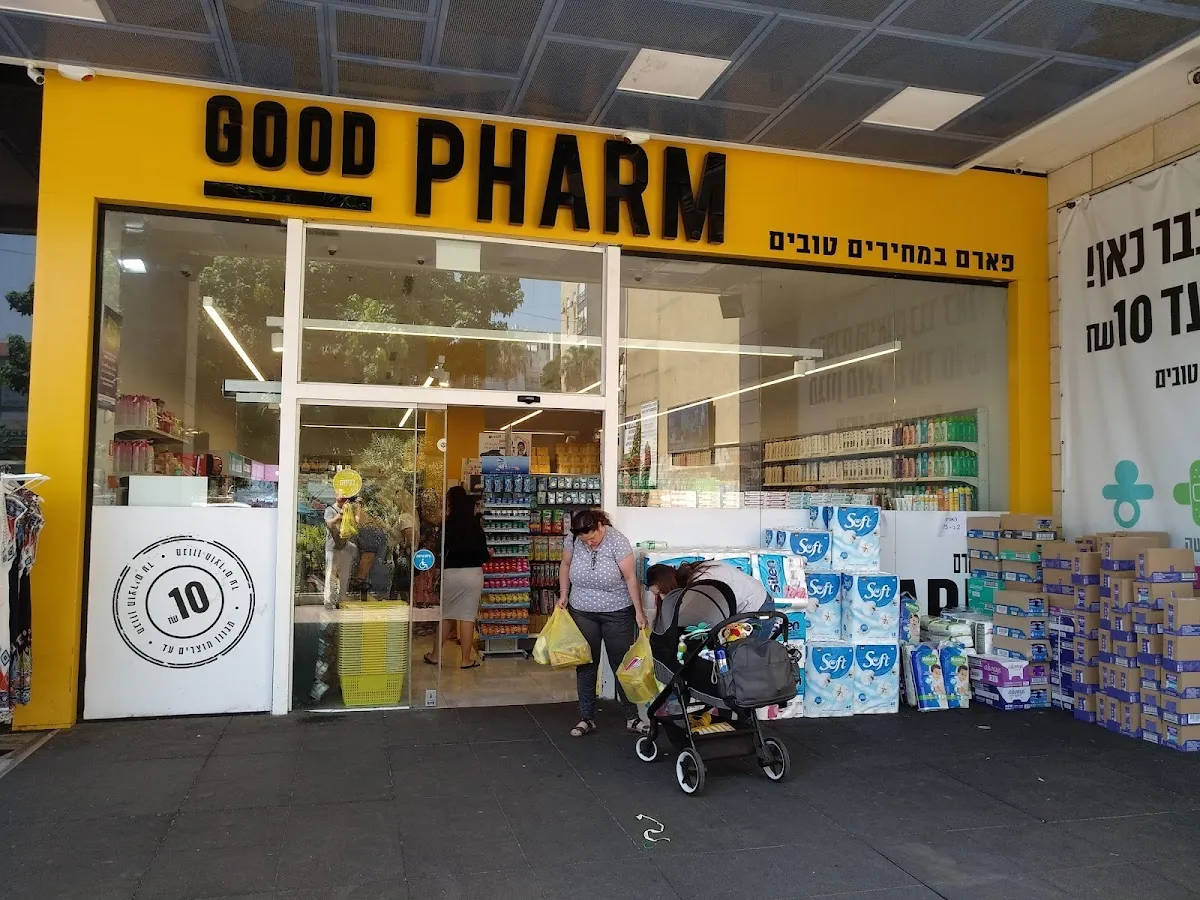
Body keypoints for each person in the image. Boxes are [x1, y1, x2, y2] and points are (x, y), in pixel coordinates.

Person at [557, 508, 648, 737]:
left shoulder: (617, 541)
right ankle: (586, 717)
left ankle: (632, 717)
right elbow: (565, 565)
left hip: (616, 611)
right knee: (586, 663)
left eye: (592, 538)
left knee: (622, 664)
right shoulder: (573, 540)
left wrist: (639, 612)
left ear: (600, 525)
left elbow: (630, 577)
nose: (589, 544)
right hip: (582, 610)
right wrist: (564, 594)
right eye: (584, 541)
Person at [424, 486, 489, 669]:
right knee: (467, 617)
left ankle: (435, 655)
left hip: (451, 574)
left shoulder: (447, 526)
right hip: (472, 575)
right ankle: (466, 659)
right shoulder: (476, 527)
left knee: (447, 615)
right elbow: (483, 555)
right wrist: (489, 554)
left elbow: (439, 549)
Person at [645, 559, 774, 617]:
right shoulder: (694, 572)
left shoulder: (701, 582)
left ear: (669, 585)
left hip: (757, 608)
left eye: (662, 592)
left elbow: (707, 616)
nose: (663, 598)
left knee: (744, 658)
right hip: (753, 602)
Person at [323, 494, 357, 608]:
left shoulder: (350, 509)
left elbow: (356, 523)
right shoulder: (330, 510)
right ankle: (329, 600)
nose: (343, 497)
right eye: (340, 494)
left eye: (345, 495)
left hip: (346, 546)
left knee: (344, 575)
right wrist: (340, 515)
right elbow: (329, 524)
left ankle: (341, 599)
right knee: (331, 574)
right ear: (335, 495)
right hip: (333, 546)